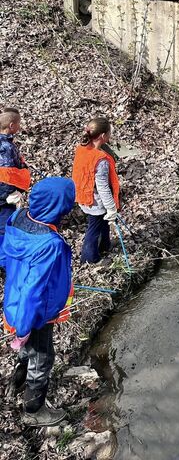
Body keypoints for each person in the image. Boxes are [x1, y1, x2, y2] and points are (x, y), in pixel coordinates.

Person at [3, 176, 75, 427]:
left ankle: (17, 379)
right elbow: (33, 293)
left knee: (28, 350)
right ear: (59, 208)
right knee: (42, 357)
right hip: (35, 314)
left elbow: (6, 258)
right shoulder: (50, 244)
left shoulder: (18, 217)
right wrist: (23, 329)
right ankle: (34, 410)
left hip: (14, 300)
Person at [71, 116, 120, 265]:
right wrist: (112, 208)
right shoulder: (101, 159)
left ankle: (104, 246)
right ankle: (89, 259)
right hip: (95, 201)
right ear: (103, 136)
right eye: (110, 133)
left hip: (83, 195)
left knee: (103, 224)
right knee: (94, 228)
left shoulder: (82, 148)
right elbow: (103, 187)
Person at [0, 108, 31, 266]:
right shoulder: (5, 148)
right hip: (4, 199)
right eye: (18, 123)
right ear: (11, 125)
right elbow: (5, 175)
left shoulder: (6, 143)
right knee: (4, 229)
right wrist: (10, 193)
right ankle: (5, 264)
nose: (20, 126)